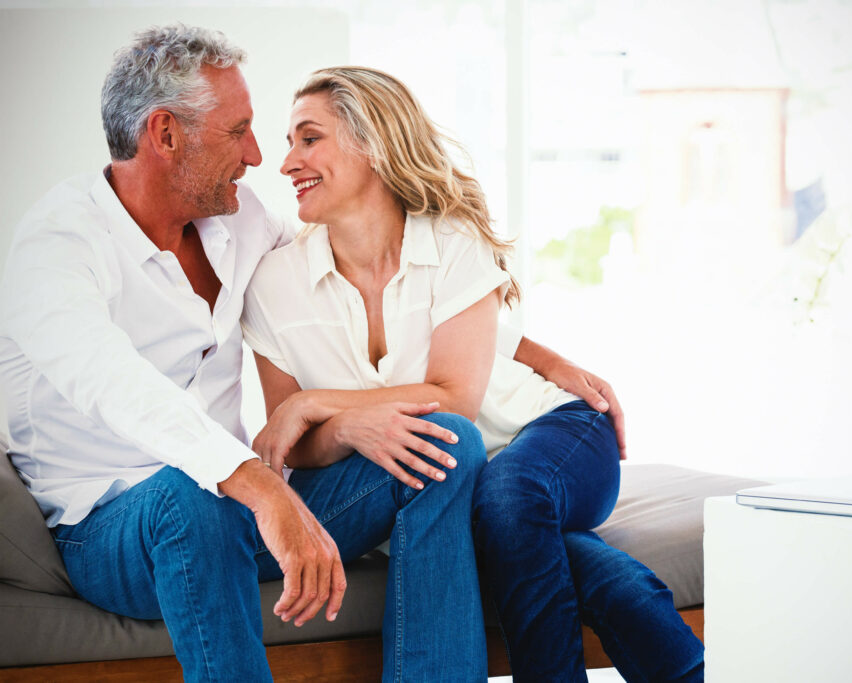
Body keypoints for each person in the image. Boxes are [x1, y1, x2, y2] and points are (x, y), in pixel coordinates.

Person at [0, 24, 610, 682]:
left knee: (448, 443)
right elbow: (113, 383)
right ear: (166, 135)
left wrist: (533, 352)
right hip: (116, 528)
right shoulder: (57, 248)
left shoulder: (238, 220)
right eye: (238, 132)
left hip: (239, 509)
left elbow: (354, 252)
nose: (261, 155)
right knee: (189, 493)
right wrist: (264, 491)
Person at [241, 66, 705, 682]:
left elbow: (455, 400)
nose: (286, 162)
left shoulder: (453, 241)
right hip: (447, 474)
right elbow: (297, 448)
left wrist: (315, 401)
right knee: (545, 545)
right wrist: (343, 427)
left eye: (309, 138)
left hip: (549, 434)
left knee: (507, 501)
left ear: (373, 144)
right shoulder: (276, 284)